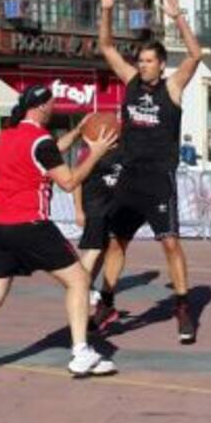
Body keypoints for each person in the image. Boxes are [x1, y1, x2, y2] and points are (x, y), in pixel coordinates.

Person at [0, 85, 119, 382]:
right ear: (41, 107)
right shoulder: (41, 141)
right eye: (51, 103)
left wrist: (77, 132)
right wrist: (95, 153)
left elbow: (46, 153)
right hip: (30, 225)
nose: (54, 107)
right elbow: (69, 181)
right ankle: (81, 353)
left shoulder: (6, 136)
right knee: (79, 281)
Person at [93, 0, 203, 344]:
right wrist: (107, 9)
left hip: (159, 179)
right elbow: (106, 46)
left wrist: (178, 17)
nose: (142, 65)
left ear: (161, 64)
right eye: (140, 60)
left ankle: (183, 307)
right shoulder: (130, 82)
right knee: (116, 243)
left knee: (170, 243)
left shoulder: (173, 87)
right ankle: (106, 302)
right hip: (130, 178)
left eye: (149, 61)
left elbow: (196, 54)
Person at [72, 120, 124, 303]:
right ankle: (78, 286)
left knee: (102, 250)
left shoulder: (121, 151)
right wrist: (78, 210)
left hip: (110, 209)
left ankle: (87, 285)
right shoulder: (89, 153)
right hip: (94, 208)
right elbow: (76, 182)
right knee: (94, 249)